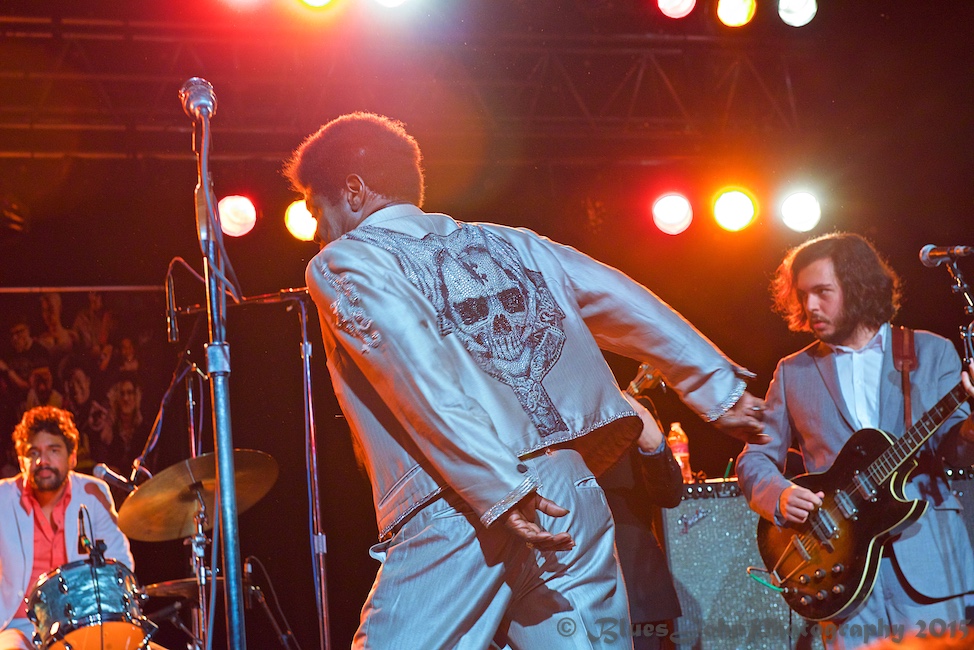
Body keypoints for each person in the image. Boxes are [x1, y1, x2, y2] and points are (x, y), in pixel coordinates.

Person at [287, 112, 767, 649]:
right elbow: (617, 296)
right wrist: (716, 387)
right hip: (568, 489)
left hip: (461, 504)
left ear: (352, 190)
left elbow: (417, 373)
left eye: (314, 209)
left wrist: (498, 488)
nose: (316, 230)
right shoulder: (515, 244)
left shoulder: (347, 260)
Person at [736, 233, 974, 650]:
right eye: (803, 294)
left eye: (823, 292)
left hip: (929, 563)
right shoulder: (794, 371)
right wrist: (780, 494)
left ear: (859, 286)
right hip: (840, 573)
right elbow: (755, 457)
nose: (810, 306)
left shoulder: (931, 352)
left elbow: (955, 449)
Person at [0, 406, 134, 650]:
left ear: (72, 457)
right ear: (22, 462)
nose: (43, 461)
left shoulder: (93, 493)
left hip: (82, 625)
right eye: (33, 452)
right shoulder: (2, 497)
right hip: (15, 625)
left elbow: (121, 563)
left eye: (54, 450)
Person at [598, 393, 684, 650]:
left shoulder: (628, 405)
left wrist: (653, 447)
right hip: (554, 591)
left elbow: (669, 495)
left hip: (636, 593)